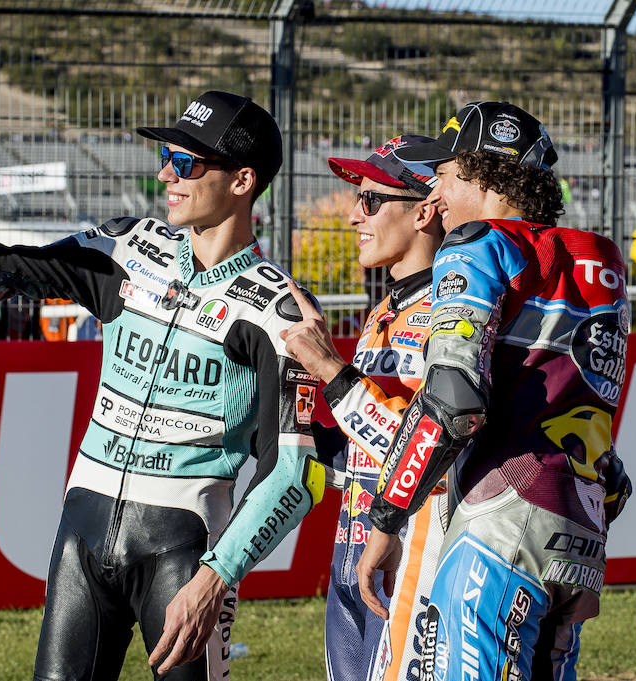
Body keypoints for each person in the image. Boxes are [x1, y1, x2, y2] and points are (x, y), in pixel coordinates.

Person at [0, 91, 326, 681]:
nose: (166, 173)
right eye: (167, 155)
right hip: (83, 527)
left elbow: (295, 472)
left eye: (187, 163)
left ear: (243, 181)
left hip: (186, 547)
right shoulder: (126, 248)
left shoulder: (280, 310)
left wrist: (219, 574)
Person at [357, 101, 632, 680]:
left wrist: (386, 518)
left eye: (445, 174)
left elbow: (453, 400)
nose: (435, 191)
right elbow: (607, 456)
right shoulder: (601, 261)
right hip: (577, 543)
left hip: (498, 529)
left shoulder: (479, 244)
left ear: (480, 177)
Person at [281, 135, 447, 681]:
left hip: (416, 563)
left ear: (424, 211)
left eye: (372, 200)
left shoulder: (455, 311)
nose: (354, 214)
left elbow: (428, 449)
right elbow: (367, 452)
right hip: (354, 553)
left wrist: (332, 369)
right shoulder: (383, 308)